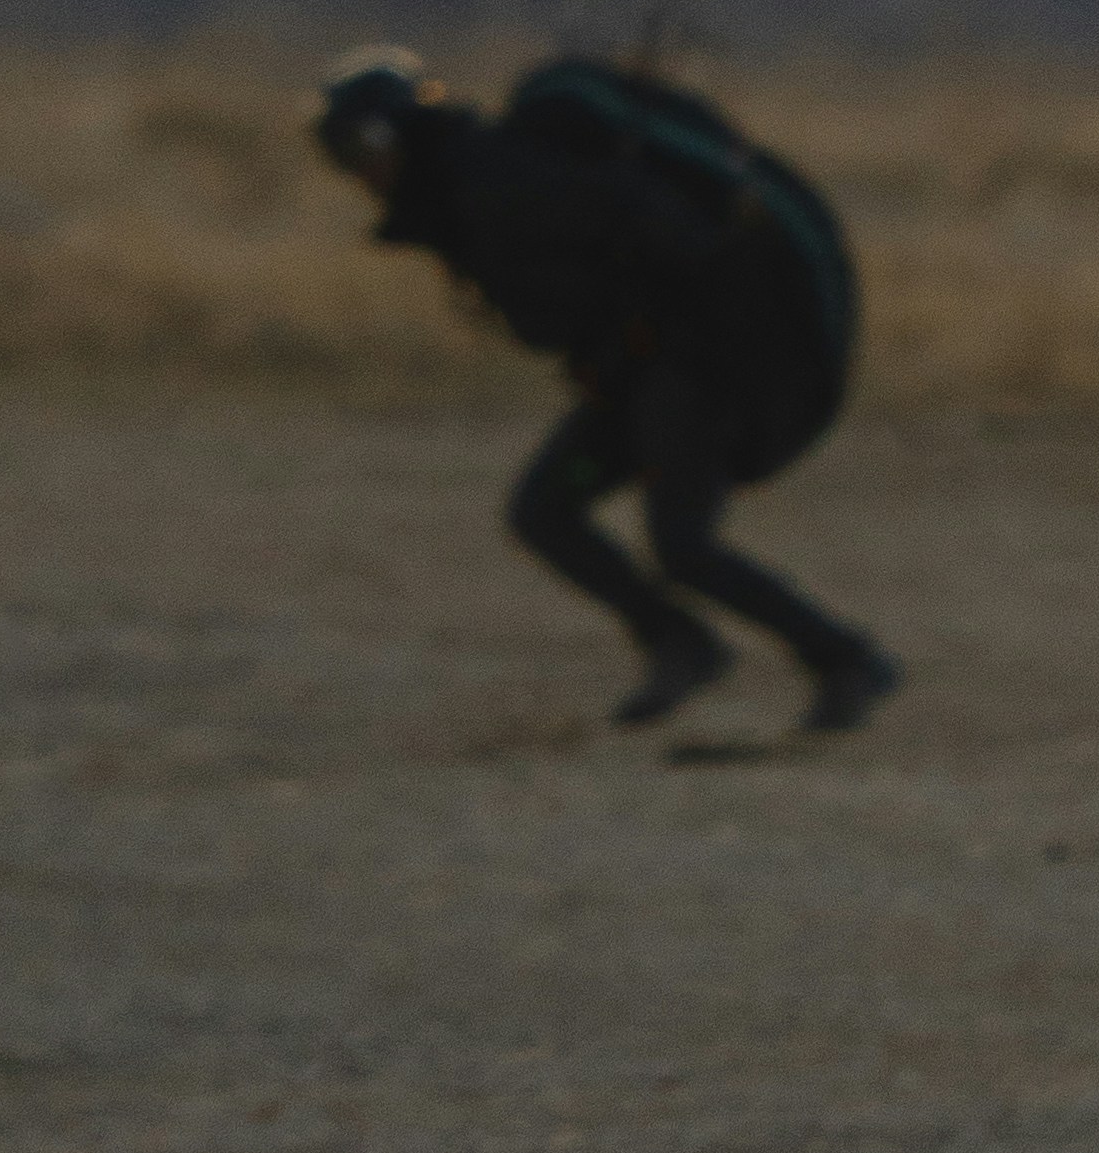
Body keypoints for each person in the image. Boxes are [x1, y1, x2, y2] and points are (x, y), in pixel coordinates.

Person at [313, 47, 895, 732]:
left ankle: (844, 660)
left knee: (683, 546)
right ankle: (681, 642)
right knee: (546, 511)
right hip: (642, 376)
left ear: (396, 135)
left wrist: (662, 337)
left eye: (361, 149)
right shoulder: (462, 195)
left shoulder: (500, 180)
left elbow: (659, 235)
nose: (359, 173)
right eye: (341, 157)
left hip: (692, 369)